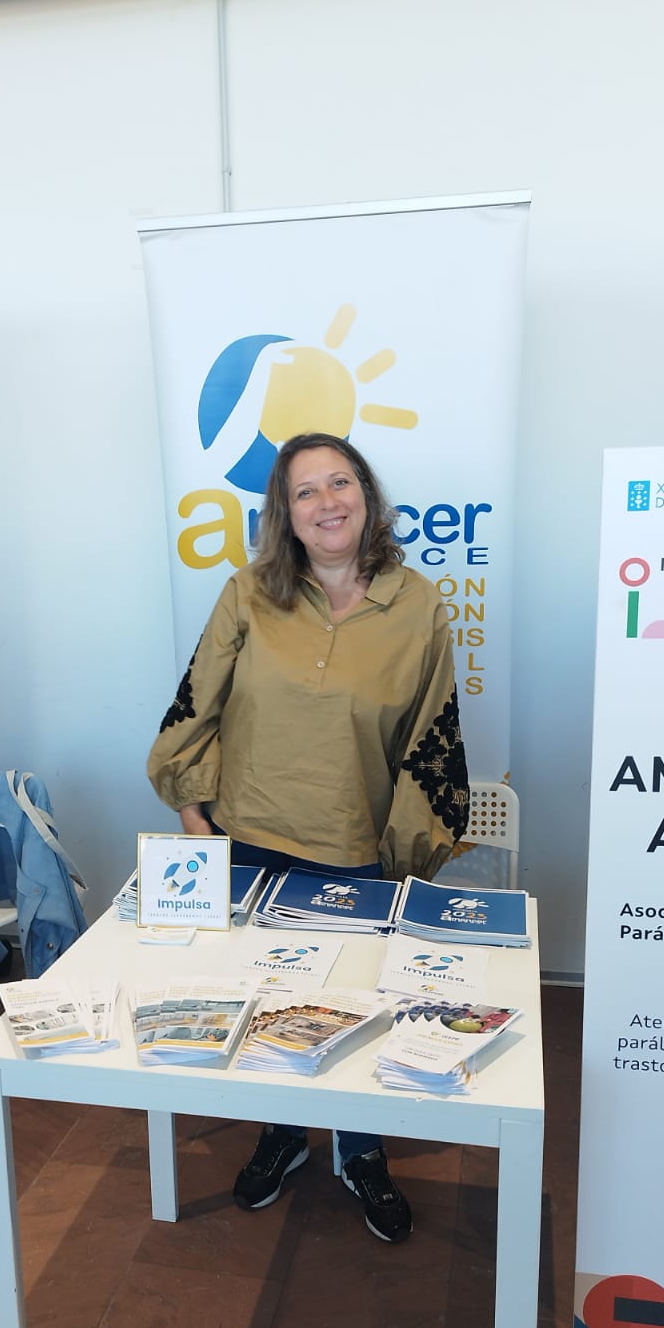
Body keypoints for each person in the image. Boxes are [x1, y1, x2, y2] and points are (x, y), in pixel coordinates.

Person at [147, 431, 469, 1242]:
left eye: (341, 483)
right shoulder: (248, 595)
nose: (327, 503)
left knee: (357, 1008)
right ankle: (283, 1133)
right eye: (306, 491)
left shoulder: (419, 605)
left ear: (367, 495)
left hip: (356, 846)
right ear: (284, 514)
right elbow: (197, 704)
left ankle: (361, 1152)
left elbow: (431, 739)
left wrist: (411, 852)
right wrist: (194, 816)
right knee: (265, 1004)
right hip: (249, 840)